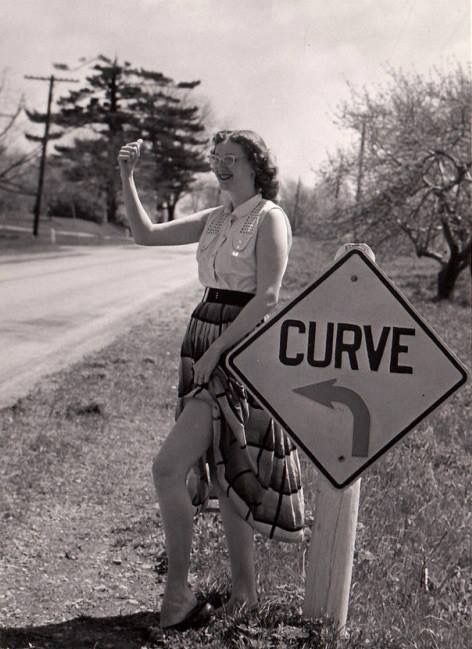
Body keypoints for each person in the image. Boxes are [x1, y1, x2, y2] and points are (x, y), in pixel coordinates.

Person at [118, 130, 305, 631]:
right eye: (216, 158)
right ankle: (243, 595)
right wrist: (127, 178)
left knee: (167, 468)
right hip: (204, 337)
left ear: (256, 165)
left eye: (232, 159)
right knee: (225, 468)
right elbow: (145, 234)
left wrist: (219, 352)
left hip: (239, 349)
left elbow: (267, 297)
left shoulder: (270, 219)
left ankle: (177, 596)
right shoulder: (216, 218)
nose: (221, 166)